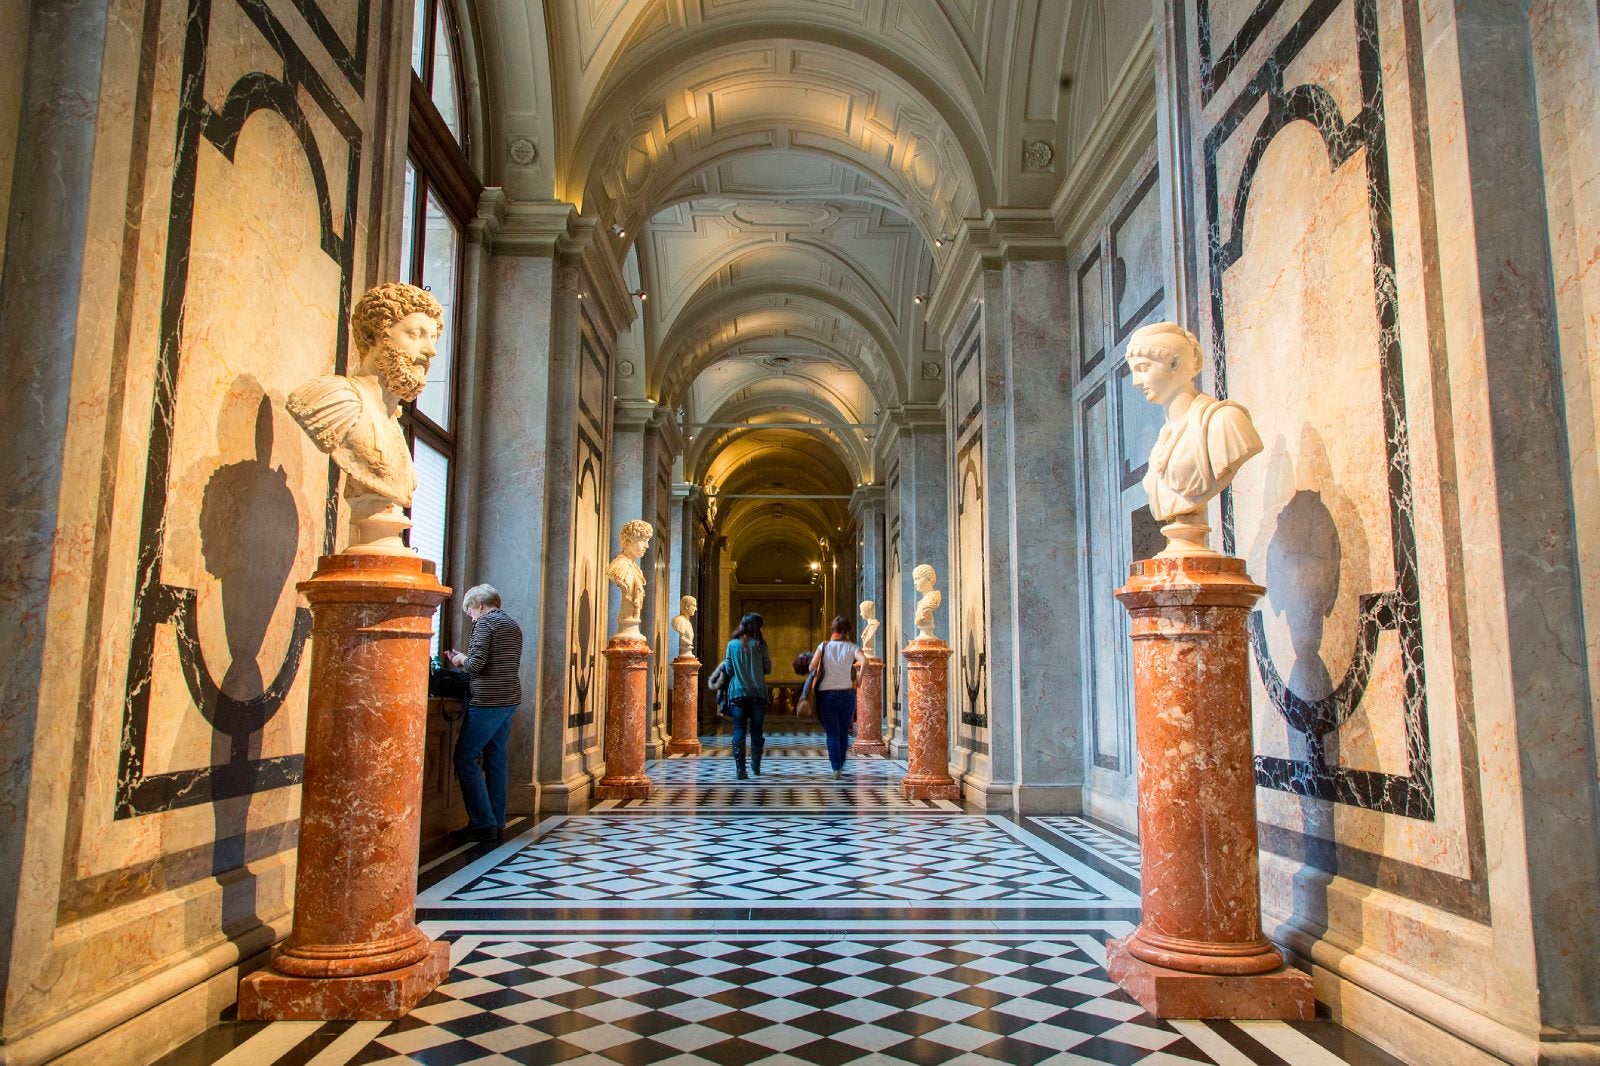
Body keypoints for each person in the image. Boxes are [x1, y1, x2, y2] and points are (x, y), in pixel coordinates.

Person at [445, 584, 523, 843]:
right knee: (496, 758)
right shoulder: (512, 625)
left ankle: (482, 823)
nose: (471, 616)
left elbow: (477, 664)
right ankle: (496, 820)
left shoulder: (486, 624)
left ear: (479, 605)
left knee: (465, 757)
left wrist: (459, 660)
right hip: (509, 699)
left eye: (470, 611)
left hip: (488, 701)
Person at [809, 616, 867, 779]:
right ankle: (841, 762)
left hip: (826, 694)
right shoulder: (852, 647)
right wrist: (859, 680)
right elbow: (865, 661)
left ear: (832, 630)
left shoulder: (824, 646)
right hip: (847, 693)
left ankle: (836, 767)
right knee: (843, 730)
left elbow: (811, 666)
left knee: (832, 732)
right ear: (846, 631)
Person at [722, 612, 771, 779]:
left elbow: (728, 670)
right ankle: (756, 765)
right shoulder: (761, 645)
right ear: (757, 627)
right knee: (757, 731)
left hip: (737, 693)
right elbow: (768, 668)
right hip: (758, 693)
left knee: (739, 730)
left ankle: (740, 769)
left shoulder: (732, 645)